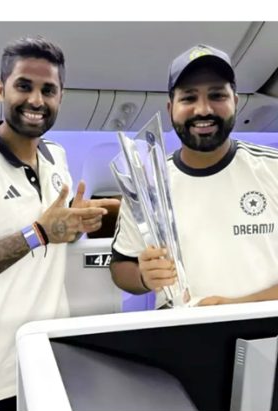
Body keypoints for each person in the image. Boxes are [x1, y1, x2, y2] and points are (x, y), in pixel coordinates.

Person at [0, 36, 118, 411]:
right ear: (0, 89)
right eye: (24, 86)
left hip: (47, 357)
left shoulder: (56, 156)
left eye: (48, 90)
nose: (36, 100)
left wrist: (73, 226)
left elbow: (50, 240)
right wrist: (38, 233)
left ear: (60, 97)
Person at [110, 44, 278, 308]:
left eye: (217, 96)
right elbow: (121, 266)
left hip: (267, 337)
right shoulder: (147, 184)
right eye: (189, 98)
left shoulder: (272, 168)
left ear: (235, 101)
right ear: (170, 108)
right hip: (180, 340)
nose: (203, 110)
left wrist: (235, 306)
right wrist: (143, 277)